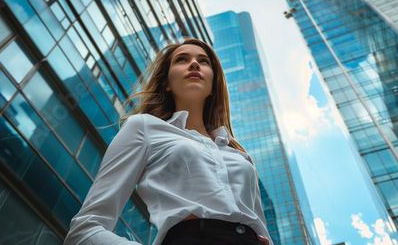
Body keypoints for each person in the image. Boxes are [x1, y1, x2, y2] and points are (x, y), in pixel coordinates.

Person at [64, 38, 273, 245]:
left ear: (213, 86)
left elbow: (262, 229)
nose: (194, 64)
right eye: (182, 59)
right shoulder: (143, 127)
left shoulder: (240, 156)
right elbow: (85, 230)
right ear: (166, 84)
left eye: (204, 61)